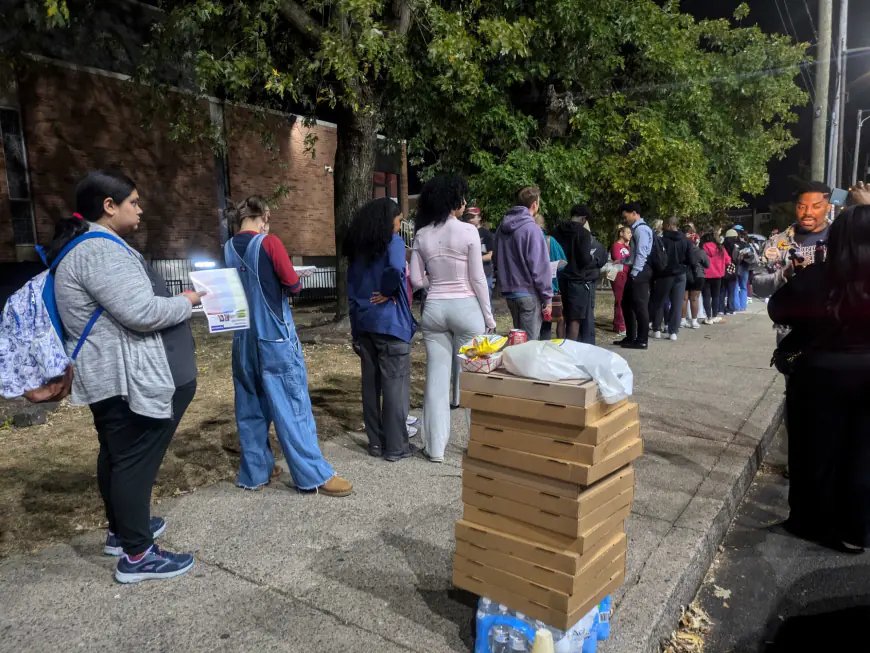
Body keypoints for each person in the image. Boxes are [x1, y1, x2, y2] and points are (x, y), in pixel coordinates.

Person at [51, 170, 203, 583]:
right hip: (124, 378)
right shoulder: (100, 251)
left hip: (109, 376)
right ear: (109, 206)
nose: (140, 209)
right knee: (134, 460)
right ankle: (137, 556)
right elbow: (143, 313)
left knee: (118, 456)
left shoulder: (84, 248)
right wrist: (186, 302)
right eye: (133, 202)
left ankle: (124, 532)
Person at [224, 196, 353, 497]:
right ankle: (312, 474)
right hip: (275, 340)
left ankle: (256, 472)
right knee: (293, 405)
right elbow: (292, 285)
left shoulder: (227, 249)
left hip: (243, 342)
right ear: (265, 216)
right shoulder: (270, 244)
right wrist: (294, 279)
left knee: (250, 407)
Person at [768, 204, 870, 552]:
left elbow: (778, 309)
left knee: (814, 450)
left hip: (821, 375)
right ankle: (856, 527)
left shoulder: (819, 277)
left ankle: (811, 521)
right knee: (862, 451)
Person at [410, 174, 495, 463]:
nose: (465, 202)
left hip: (435, 308)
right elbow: (478, 278)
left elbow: (415, 278)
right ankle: (480, 445)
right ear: (452, 200)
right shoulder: (469, 232)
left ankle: (435, 448)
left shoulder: (421, 235)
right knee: (473, 380)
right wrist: (488, 315)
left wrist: (431, 284)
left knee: (435, 379)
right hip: (466, 308)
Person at [345, 198, 417, 462]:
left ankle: (375, 442)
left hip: (364, 324)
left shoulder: (357, 249)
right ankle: (396, 446)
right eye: (399, 219)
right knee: (395, 386)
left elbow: (351, 294)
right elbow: (398, 268)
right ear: (391, 219)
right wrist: (387, 291)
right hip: (391, 325)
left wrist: (355, 331)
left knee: (370, 387)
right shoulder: (393, 241)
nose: (400, 225)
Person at [493, 187, 553, 340]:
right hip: (529, 292)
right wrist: (547, 298)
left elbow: (496, 258)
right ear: (534, 204)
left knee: (518, 342)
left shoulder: (502, 228)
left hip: (510, 292)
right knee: (530, 345)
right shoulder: (532, 229)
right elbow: (540, 267)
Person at [552, 205, 607, 344]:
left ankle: (559, 350)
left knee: (561, 318)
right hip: (577, 281)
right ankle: (570, 351)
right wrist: (594, 260)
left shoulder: (556, 231)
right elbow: (584, 259)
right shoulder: (583, 233)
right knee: (574, 319)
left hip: (559, 278)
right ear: (584, 219)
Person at [615, 202, 653, 350]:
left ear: (634, 213)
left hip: (641, 271)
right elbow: (634, 253)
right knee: (627, 303)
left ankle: (642, 339)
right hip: (637, 269)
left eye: (626, 216)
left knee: (640, 305)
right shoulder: (636, 229)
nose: (626, 220)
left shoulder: (641, 230)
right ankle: (631, 336)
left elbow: (642, 253)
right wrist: (624, 261)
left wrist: (635, 272)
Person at [650, 217, 691, 341]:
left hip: (665, 274)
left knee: (659, 301)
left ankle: (657, 329)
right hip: (681, 274)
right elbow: (690, 259)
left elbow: (656, 258)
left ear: (668, 225)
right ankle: (673, 331)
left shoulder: (662, 240)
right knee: (677, 303)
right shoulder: (686, 241)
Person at [534, 213, 568, 340]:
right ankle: (545, 351)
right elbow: (563, 263)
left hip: (529, 289)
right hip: (550, 287)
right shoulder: (550, 241)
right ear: (542, 225)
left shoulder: (524, 238)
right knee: (546, 323)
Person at [463, 207, 495, 311]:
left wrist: (474, 259)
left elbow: (490, 255)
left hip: (485, 273)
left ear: (479, 218)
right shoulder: (463, 234)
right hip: (468, 274)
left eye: (473, 217)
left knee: (487, 302)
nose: (470, 219)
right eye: (468, 217)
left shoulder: (486, 234)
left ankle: (491, 326)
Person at [681, 224, 709, 329]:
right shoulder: (700, 252)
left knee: (684, 298)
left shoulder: (682, 250)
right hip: (698, 275)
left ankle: (682, 320)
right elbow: (707, 265)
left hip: (684, 274)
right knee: (694, 299)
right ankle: (694, 321)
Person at [700, 231, 730, 325]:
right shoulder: (720, 248)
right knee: (716, 296)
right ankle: (714, 316)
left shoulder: (702, 248)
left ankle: (708, 317)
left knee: (706, 296)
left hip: (705, 275)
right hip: (718, 275)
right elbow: (727, 260)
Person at [610, 226, 632, 337]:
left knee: (625, 300)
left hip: (628, 276)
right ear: (621, 233)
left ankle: (620, 323)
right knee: (620, 300)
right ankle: (620, 326)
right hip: (619, 275)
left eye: (631, 233)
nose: (630, 235)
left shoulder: (629, 247)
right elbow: (618, 261)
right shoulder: (616, 246)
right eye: (628, 232)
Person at [720, 228, 740, 316]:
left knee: (722, 291)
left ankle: (720, 309)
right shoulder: (735, 248)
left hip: (722, 271)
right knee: (731, 291)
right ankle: (730, 309)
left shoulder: (721, 247)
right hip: (732, 271)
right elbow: (737, 260)